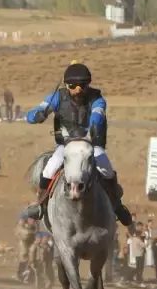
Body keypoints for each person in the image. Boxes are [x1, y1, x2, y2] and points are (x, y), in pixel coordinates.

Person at [19, 62, 132, 227]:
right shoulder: (56, 97)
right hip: (66, 144)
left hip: (90, 143)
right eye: (73, 86)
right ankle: (40, 204)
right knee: (51, 167)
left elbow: (98, 113)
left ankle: (116, 205)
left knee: (106, 168)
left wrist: (94, 125)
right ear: (66, 85)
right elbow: (38, 110)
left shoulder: (97, 99)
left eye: (83, 86)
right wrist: (36, 115)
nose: (78, 90)